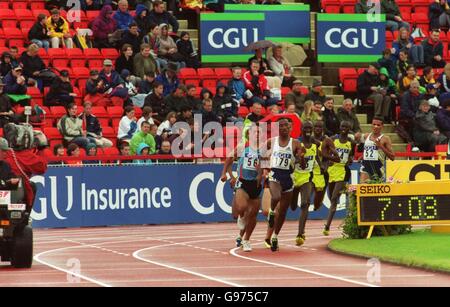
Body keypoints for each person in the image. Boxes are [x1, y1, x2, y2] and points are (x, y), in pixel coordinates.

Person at [261, 118, 302, 251]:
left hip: (288, 177)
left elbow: (301, 162)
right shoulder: (271, 142)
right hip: (275, 175)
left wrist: (301, 159)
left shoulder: (295, 143)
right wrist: (265, 169)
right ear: (277, 128)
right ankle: (272, 212)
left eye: (286, 125)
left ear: (290, 127)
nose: (284, 128)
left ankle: (275, 236)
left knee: (283, 211)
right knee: (276, 197)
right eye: (281, 126)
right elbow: (262, 154)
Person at [221, 124, 262, 252]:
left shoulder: (264, 149)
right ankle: (241, 216)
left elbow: (266, 166)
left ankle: (246, 240)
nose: (257, 134)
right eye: (254, 132)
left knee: (253, 216)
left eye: (259, 132)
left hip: (255, 185)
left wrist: (262, 173)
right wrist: (228, 175)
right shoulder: (242, 147)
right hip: (243, 182)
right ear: (248, 134)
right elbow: (229, 160)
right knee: (241, 209)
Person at [291, 121, 321, 247]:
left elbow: (316, 158)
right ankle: (292, 200)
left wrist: (323, 166)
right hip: (294, 176)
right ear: (301, 129)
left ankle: (300, 233)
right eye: (305, 128)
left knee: (305, 203)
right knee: (292, 206)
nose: (308, 130)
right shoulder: (296, 142)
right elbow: (292, 158)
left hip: (307, 176)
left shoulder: (316, 143)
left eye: (310, 128)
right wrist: (300, 157)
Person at [324, 121, 353, 236]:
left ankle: (327, 226)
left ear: (349, 128)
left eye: (346, 127)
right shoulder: (332, 139)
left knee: (334, 198)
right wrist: (327, 161)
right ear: (339, 127)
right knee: (332, 197)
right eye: (342, 126)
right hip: (332, 170)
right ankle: (347, 191)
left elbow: (350, 155)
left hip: (343, 170)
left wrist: (350, 159)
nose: (344, 129)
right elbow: (324, 152)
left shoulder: (351, 142)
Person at [3, 137, 47, 210]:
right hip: (17, 193)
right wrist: (40, 150)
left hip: (7, 188)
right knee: (31, 187)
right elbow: (42, 168)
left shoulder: (8, 153)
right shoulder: (26, 155)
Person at [309, 121, 340, 212]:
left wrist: (329, 159)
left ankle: (317, 203)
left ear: (323, 129)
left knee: (317, 203)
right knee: (307, 197)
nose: (318, 128)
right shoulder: (309, 139)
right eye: (316, 126)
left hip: (322, 172)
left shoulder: (327, 140)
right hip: (310, 171)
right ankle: (306, 203)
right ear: (313, 128)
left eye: (320, 127)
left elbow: (336, 156)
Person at [358, 117, 395, 182]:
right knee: (363, 187)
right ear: (371, 125)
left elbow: (392, 157)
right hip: (366, 165)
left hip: (378, 167)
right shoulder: (366, 136)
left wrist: (381, 146)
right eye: (374, 124)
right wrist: (362, 156)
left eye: (378, 125)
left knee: (376, 190)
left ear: (382, 126)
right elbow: (369, 150)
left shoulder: (385, 138)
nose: (376, 126)